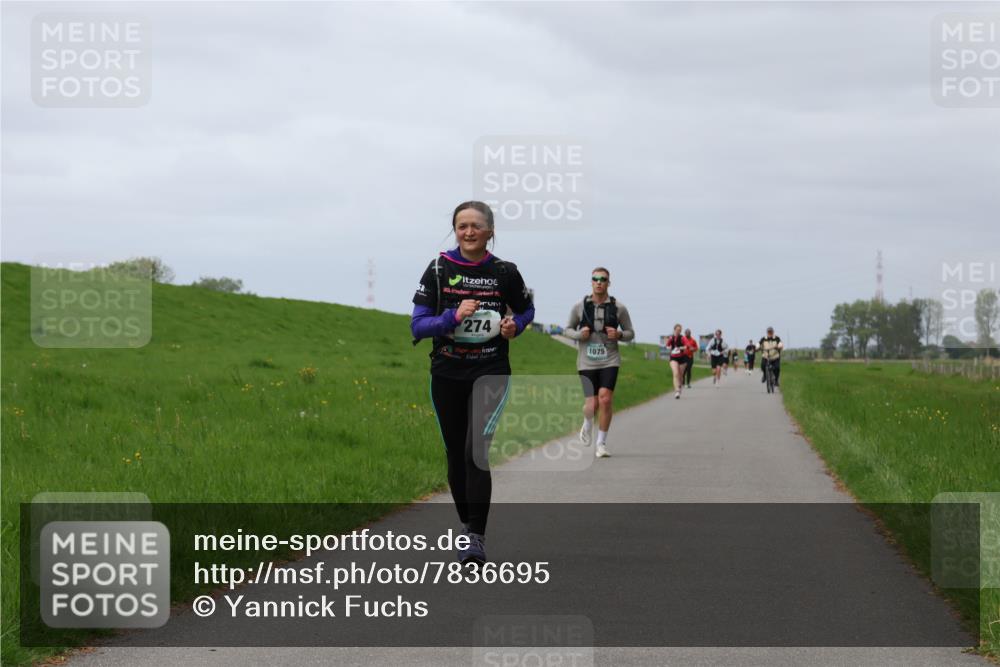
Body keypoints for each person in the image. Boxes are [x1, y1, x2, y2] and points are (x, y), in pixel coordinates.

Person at [411, 201, 535, 565]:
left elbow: (526, 309)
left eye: (476, 226)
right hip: (447, 372)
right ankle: (468, 524)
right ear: (455, 230)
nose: (469, 232)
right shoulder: (438, 269)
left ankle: (475, 538)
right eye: (462, 226)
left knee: (474, 452)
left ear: (490, 232)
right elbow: (418, 325)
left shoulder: (505, 272)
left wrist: (515, 326)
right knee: (455, 454)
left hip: (490, 370)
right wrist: (452, 316)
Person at [565, 267, 635, 459]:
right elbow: (567, 329)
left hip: (609, 359)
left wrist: (619, 334)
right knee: (592, 404)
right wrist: (579, 335)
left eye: (603, 279)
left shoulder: (619, 308)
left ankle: (601, 444)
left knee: (605, 399)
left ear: (608, 283)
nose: (599, 282)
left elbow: (630, 333)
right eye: (595, 279)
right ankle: (588, 423)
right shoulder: (579, 306)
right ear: (591, 282)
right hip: (586, 361)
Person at [664, 324, 689, 400]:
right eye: (677, 330)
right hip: (673, 357)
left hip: (682, 358)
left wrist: (680, 348)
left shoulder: (683, 338)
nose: (678, 331)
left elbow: (687, 346)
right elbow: (667, 346)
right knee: (675, 373)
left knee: (680, 375)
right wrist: (669, 347)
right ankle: (677, 391)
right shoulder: (671, 338)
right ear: (674, 330)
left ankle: (679, 387)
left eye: (680, 330)